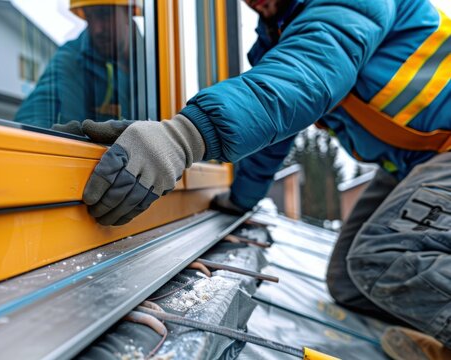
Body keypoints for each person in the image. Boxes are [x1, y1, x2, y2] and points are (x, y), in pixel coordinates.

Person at [80, 0, 451, 358]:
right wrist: (240, 200)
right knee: (351, 282)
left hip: (440, 150)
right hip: (419, 162)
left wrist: (184, 136)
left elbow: (308, 71)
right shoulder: (276, 38)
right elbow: (275, 137)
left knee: (382, 259)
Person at [15, 0, 143, 131]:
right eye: (89, 17)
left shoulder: (158, 61)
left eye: (104, 14)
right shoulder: (72, 58)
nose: (97, 29)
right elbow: (35, 116)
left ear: (128, 12)